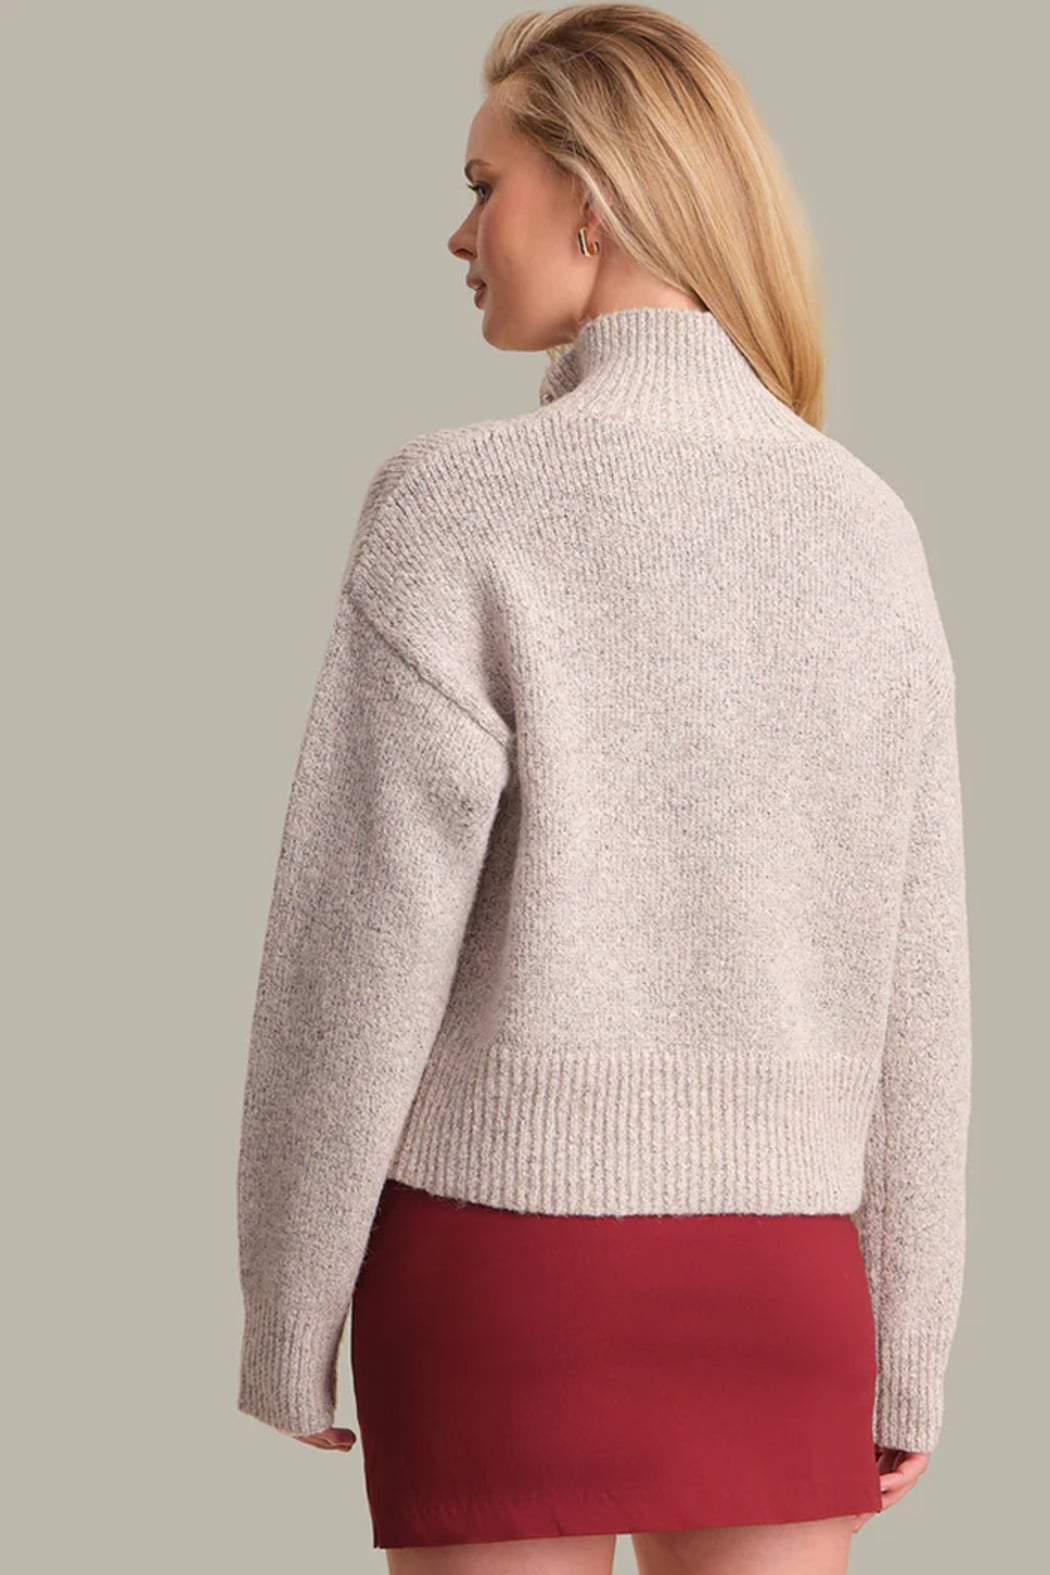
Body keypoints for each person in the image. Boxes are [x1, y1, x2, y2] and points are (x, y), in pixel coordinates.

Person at [235, 7, 972, 1574]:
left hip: (501, 1278)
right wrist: (908, 1340)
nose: (458, 234)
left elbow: (353, 948)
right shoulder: (867, 528)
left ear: (592, 197)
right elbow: (920, 983)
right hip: (786, 1289)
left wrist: (288, 1308)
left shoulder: (455, 508)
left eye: (480, 184)